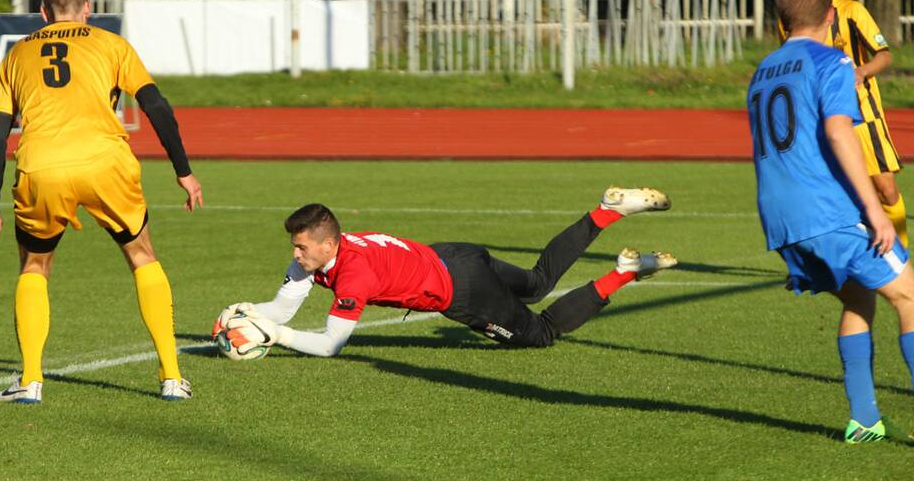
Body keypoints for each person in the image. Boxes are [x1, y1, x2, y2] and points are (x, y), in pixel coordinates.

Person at [0, 0, 202, 403]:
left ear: (42, 12)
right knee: (142, 257)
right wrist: (183, 169)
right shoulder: (111, 43)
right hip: (106, 163)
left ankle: (30, 381)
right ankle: (172, 377)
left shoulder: (16, 56)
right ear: (87, 9)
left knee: (34, 268)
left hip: (43, 167)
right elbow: (154, 103)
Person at [212, 187, 676, 357]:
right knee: (536, 283)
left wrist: (275, 336)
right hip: (456, 255)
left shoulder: (353, 275)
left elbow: (330, 345)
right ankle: (605, 212)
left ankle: (625, 272)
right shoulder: (323, 254)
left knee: (541, 332)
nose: (295, 253)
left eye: (301, 245)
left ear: (328, 243)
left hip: (463, 290)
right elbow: (284, 309)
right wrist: (255, 314)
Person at [752, 0, 914, 443]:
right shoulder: (832, 60)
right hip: (832, 211)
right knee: (908, 296)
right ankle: (865, 417)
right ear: (830, 16)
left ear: (780, 22)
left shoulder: (763, 70)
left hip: (783, 218)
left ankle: (864, 419)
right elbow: (841, 133)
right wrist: (876, 210)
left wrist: (794, 235)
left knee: (859, 299)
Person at [780, 0, 907, 247]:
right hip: (822, 117)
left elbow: (884, 55)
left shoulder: (851, 11)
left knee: (886, 189)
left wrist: (861, 72)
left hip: (865, 116)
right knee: (835, 189)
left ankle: (901, 254)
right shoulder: (788, 19)